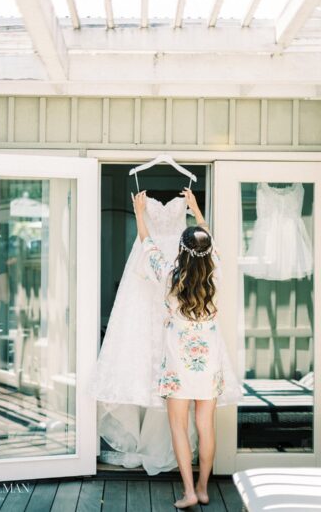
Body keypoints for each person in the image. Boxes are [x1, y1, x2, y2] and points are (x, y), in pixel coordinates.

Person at [132, 188, 241, 509]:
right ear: (208, 251)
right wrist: (196, 211)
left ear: (181, 250)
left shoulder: (169, 275)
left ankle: (189, 491)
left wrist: (140, 213)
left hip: (178, 364)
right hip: (208, 363)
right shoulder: (216, 271)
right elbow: (209, 242)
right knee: (205, 426)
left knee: (179, 428)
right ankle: (204, 488)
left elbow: (146, 244)